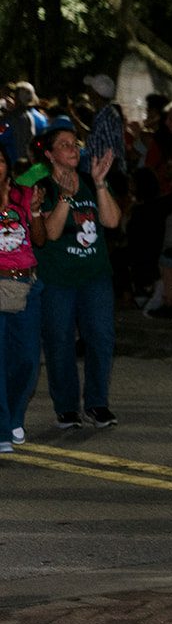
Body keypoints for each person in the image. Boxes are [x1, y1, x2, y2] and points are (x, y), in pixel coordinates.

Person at [34, 128, 120, 429]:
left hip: (94, 274)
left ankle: (97, 404)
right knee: (60, 341)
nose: (73, 149)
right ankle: (67, 407)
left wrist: (100, 184)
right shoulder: (43, 187)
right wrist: (66, 199)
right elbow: (51, 233)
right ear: (49, 154)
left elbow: (112, 220)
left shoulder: (89, 181)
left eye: (75, 144)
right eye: (64, 145)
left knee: (101, 337)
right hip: (58, 278)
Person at [0, 147, 42, 452]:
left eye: (0, 160)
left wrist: (36, 211)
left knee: (27, 359)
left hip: (26, 283)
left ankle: (14, 415)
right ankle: (2, 429)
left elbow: (39, 239)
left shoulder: (23, 196)